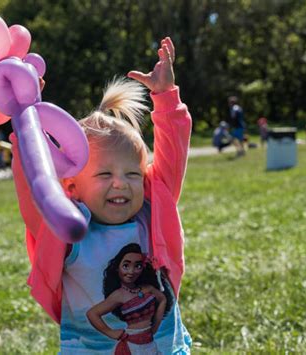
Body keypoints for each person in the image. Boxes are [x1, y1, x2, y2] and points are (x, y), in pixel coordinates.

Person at [11, 37, 191, 353]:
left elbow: (172, 160)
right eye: (105, 174)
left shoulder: (151, 213)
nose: (121, 183)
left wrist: (165, 99)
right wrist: (26, 121)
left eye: (133, 174)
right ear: (70, 186)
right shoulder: (64, 227)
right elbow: (33, 183)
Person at [87, 243, 173, 354]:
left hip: (149, 343)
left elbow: (163, 299)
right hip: (131, 346)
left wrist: (155, 326)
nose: (131, 271)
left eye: (138, 266)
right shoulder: (118, 295)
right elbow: (92, 313)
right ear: (117, 268)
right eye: (126, 266)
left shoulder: (148, 288)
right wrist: (110, 332)